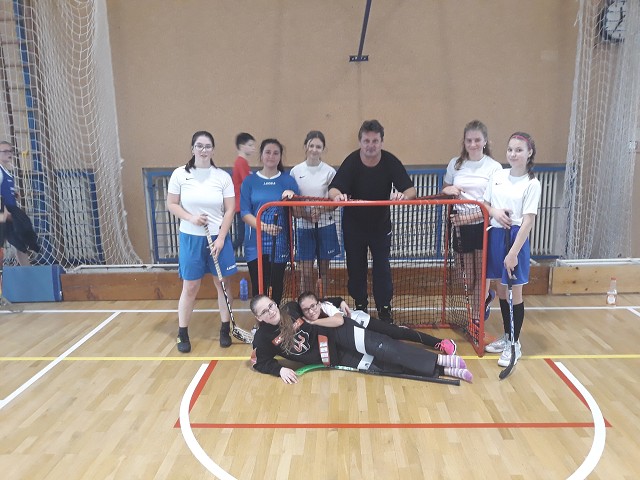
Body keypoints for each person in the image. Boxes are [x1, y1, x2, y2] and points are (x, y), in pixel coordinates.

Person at [250, 293, 472, 384]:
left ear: (275, 303)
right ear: (258, 318)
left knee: (385, 347)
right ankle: (443, 370)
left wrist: (338, 301)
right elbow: (260, 362)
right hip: (334, 356)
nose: (270, 311)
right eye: (264, 312)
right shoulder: (262, 339)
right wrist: (279, 370)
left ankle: (442, 359)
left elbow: (316, 303)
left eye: (271, 305)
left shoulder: (290, 308)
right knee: (381, 366)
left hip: (340, 331)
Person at [328, 120, 416, 322]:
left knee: (382, 268)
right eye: (366, 141)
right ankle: (360, 306)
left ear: (381, 142)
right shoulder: (351, 162)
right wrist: (337, 196)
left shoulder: (390, 161)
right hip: (353, 227)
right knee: (355, 267)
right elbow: (333, 189)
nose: (370, 145)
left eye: (375, 141)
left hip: (380, 227)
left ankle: (384, 308)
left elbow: (411, 190)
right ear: (360, 142)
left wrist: (403, 196)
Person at [167, 131, 238, 352]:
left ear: (213, 150)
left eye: (207, 146)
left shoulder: (222, 177)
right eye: (199, 146)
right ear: (192, 149)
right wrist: (191, 218)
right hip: (191, 238)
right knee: (190, 286)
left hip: (218, 238)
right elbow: (172, 204)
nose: (203, 150)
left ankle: (225, 329)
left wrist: (222, 238)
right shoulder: (180, 174)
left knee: (223, 284)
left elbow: (230, 209)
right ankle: (182, 333)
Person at [482, 132, 541, 367]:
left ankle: (514, 343)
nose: (513, 154)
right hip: (496, 234)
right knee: (501, 289)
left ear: (529, 153)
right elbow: (485, 203)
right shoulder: (498, 176)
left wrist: (513, 253)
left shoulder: (532, 183)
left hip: (515, 238)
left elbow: (528, 221)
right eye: (510, 150)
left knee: (515, 292)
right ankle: (507, 336)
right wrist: (494, 212)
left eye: (519, 150)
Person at [442, 120, 503, 325]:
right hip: (460, 227)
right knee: (466, 278)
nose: (473, 144)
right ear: (464, 142)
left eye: (477, 140)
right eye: (469, 140)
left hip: (483, 226)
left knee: (482, 274)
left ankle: (476, 319)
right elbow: (445, 190)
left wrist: (468, 217)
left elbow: (493, 204)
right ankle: (486, 298)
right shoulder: (455, 164)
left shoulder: (494, 167)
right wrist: (448, 190)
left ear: (485, 141)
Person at [297, 291, 457, 355]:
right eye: (306, 309)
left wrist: (315, 322)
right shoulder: (307, 318)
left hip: (363, 323)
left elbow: (339, 321)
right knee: (388, 345)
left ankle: (439, 342)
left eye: (313, 306)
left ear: (318, 304)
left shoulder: (325, 307)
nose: (310, 311)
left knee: (398, 333)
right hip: (356, 336)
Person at [240, 138, 298, 306]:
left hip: (279, 242)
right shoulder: (250, 181)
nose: (271, 156)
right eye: (268, 152)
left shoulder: (288, 181)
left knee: (276, 285)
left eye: (275, 153)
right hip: (255, 243)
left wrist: (292, 199)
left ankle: (275, 318)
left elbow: (297, 213)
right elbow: (245, 213)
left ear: (280, 156)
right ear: (261, 155)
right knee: (259, 287)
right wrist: (265, 227)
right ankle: (260, 319)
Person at [290, 131, 340, 295]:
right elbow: (293, 204)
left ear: (323, 149)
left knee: (323, 271)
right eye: (311, 145)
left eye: (318, 146)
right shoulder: (296, 171)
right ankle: (306, 304)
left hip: (325, 226)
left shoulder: (329, 172)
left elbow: (334, 202)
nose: (314, 149)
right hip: (304, 228)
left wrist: (321, 209)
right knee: (305, 273)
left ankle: (322, 303)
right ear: (306, 146)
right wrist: (307, 215)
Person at [0, 141, 36, 266]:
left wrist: (13, 194)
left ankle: (28, 271)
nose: (9, 154)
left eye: (10, 151)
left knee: (19, 243)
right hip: (3, 212)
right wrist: (4, 212)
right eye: (5, 151)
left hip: (8, 211)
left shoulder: (6, 171)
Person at [231, 133, 255, 251]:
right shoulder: (241, 162)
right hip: (241, 205)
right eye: (250, 145)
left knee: (242, 236)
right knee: (241, 237)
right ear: (241, 146)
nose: (253, 148)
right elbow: (247, 182)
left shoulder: (241, 162)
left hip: (241, 204)